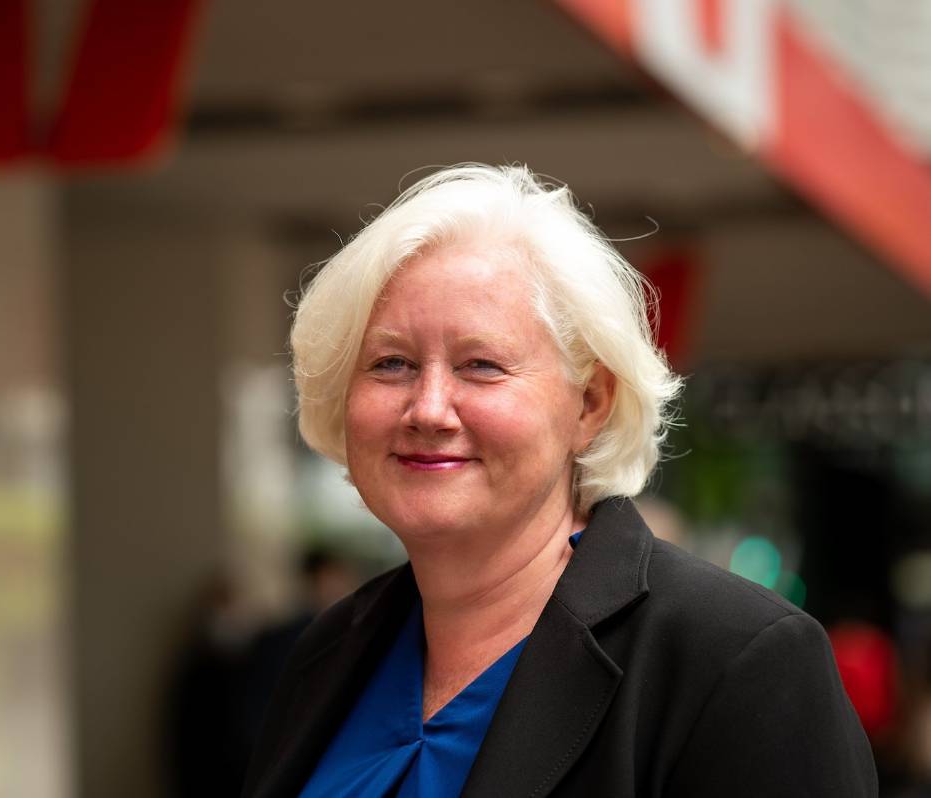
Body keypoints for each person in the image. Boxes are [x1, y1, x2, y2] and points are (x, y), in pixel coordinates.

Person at [241, 164, 876, 797]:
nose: (428, 409)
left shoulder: (738, 660)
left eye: (481, 364)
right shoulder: (328, 652)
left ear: (590, 404)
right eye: (391, 363)